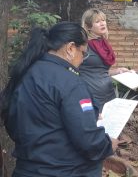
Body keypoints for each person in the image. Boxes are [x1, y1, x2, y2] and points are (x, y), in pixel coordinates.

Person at [0, 22, 118, 177]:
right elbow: (88, 141)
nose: (82, 60)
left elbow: (23, 122)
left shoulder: (25, 73)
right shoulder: (70, 82)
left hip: (27, 169)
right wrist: (109, 144)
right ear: (70, 48)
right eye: (83, 53)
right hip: (64, 170)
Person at [80, 8, 130, 112]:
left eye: (103, 20)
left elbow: (99, 70)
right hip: (90, 94)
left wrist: (117, 71)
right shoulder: (83, 46)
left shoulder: (103, 43)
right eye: (97, 22)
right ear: (88, 27)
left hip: (107, 92)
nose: (102, 24)